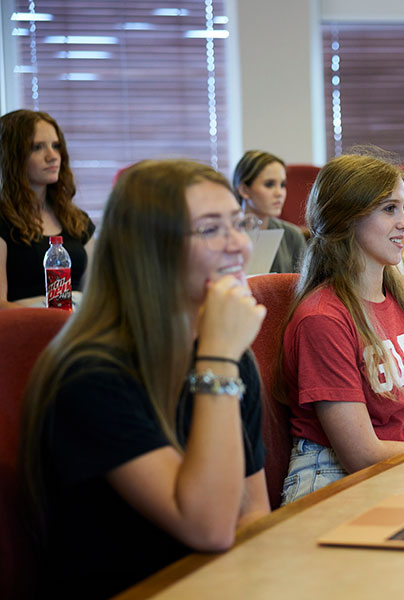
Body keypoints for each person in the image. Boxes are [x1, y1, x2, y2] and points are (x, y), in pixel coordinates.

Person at [18, 160, 271, 598]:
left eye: (238, 222)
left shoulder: (226, 355)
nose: (239, 245)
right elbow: (208, 527)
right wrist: (218, 361)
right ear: (150, 249)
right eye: (210, 229)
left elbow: (252, 515)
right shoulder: (91, 375)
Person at [278, 149, 404, 504]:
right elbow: (360, 454)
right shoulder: (323, 318)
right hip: (335, 477)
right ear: (347, 219)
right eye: (389, 209)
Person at [0, 109, 95, 309]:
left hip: (75, 331)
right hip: (25, 332)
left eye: (56, 146)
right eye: (37, 147)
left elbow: (100, 293)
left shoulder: (78, 221)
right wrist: (52, 317)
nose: (53, 156)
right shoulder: (3, 220)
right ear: (11, 156)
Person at [232, 150, 307, 273]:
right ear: (244, 190)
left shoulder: (292, 235)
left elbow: (303, 287)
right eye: (269, 184)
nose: (279, 193)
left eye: (282, 185)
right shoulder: (228, 235)